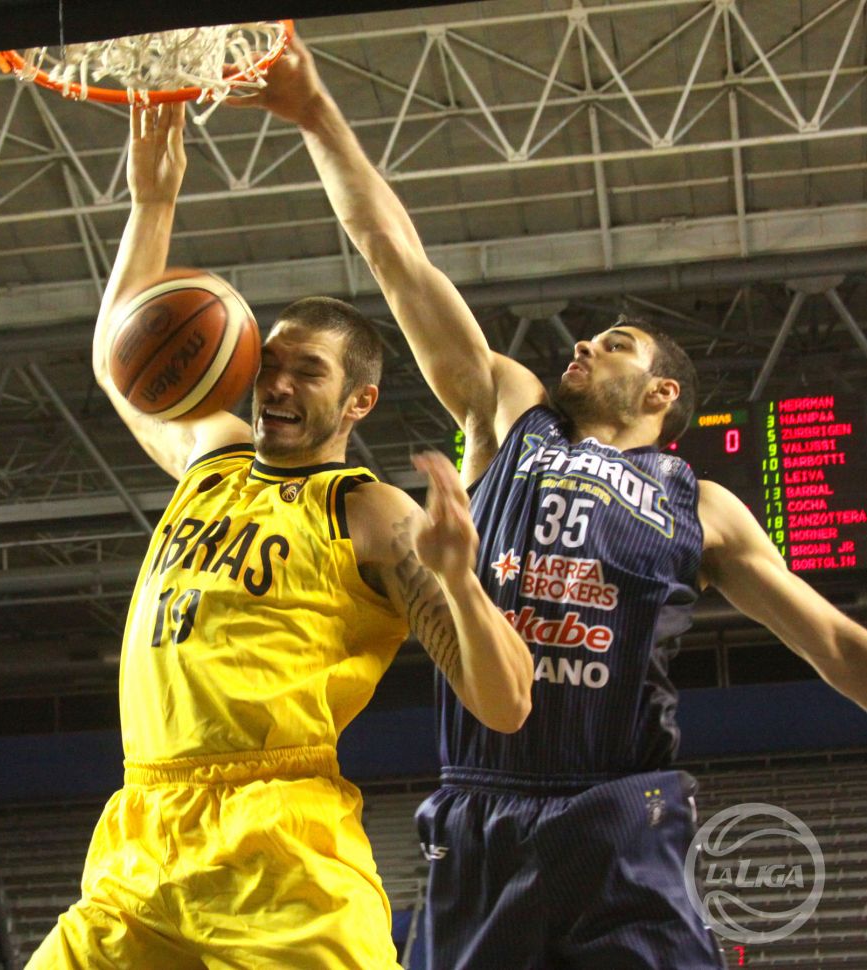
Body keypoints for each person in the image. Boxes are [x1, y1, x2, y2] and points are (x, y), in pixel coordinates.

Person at [233, 35, 867, 969]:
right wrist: (315, 114)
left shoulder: (704, 506)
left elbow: (835, 645)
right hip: (480, 802)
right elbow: (397, 259)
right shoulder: (510, 414)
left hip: (620, 808)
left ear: (661, 394)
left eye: (613, 344)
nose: (583, 345)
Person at [25, 100, 533, 970]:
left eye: (309, 372)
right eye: (270, 366)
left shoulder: (372, 513)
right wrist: (152, 203)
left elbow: (507, 704)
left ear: (358, 401)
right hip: (141, 838)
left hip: (280, 846)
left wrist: (457, 581)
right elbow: (122, 364)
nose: (278, 386)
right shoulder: (211, 458)